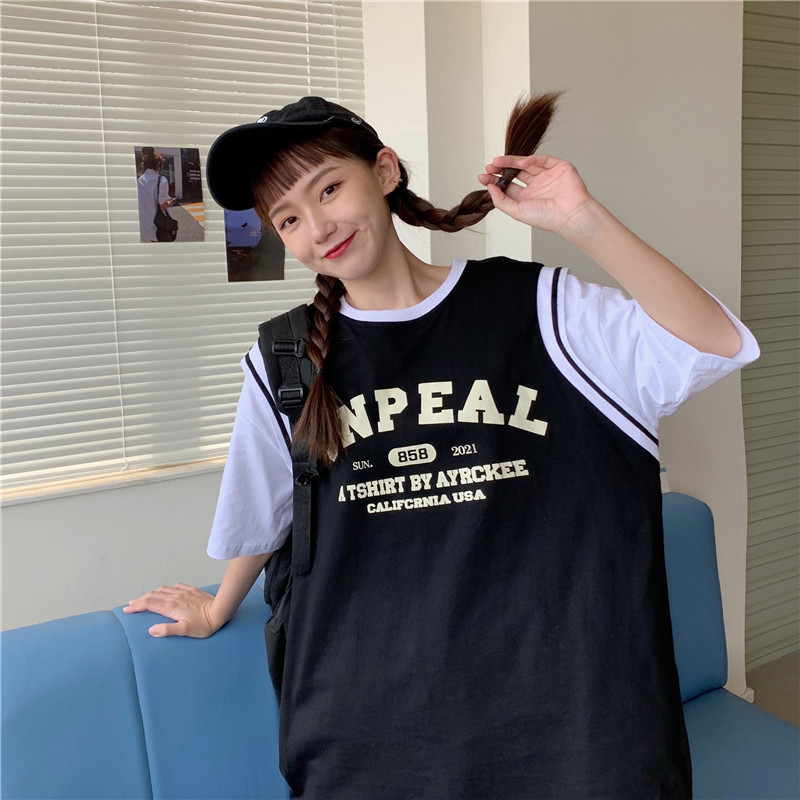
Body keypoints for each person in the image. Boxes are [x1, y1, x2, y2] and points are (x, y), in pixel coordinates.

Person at [125, 95, 759, 799]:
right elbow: (269, 508)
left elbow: (712, 343)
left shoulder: (540, 310)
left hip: (571, 730)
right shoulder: (284, 358)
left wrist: (583, 221)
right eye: (289, 219)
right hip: (376, 739)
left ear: (384, 171)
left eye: (329, 189)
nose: (318, 228)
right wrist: (218, 607)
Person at [137, 146, 173, 242]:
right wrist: (170, 202)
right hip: (161, 226)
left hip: (148, 226)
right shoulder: (162, 180)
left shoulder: (140, 181)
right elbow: (162, 205)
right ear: (159, 165)